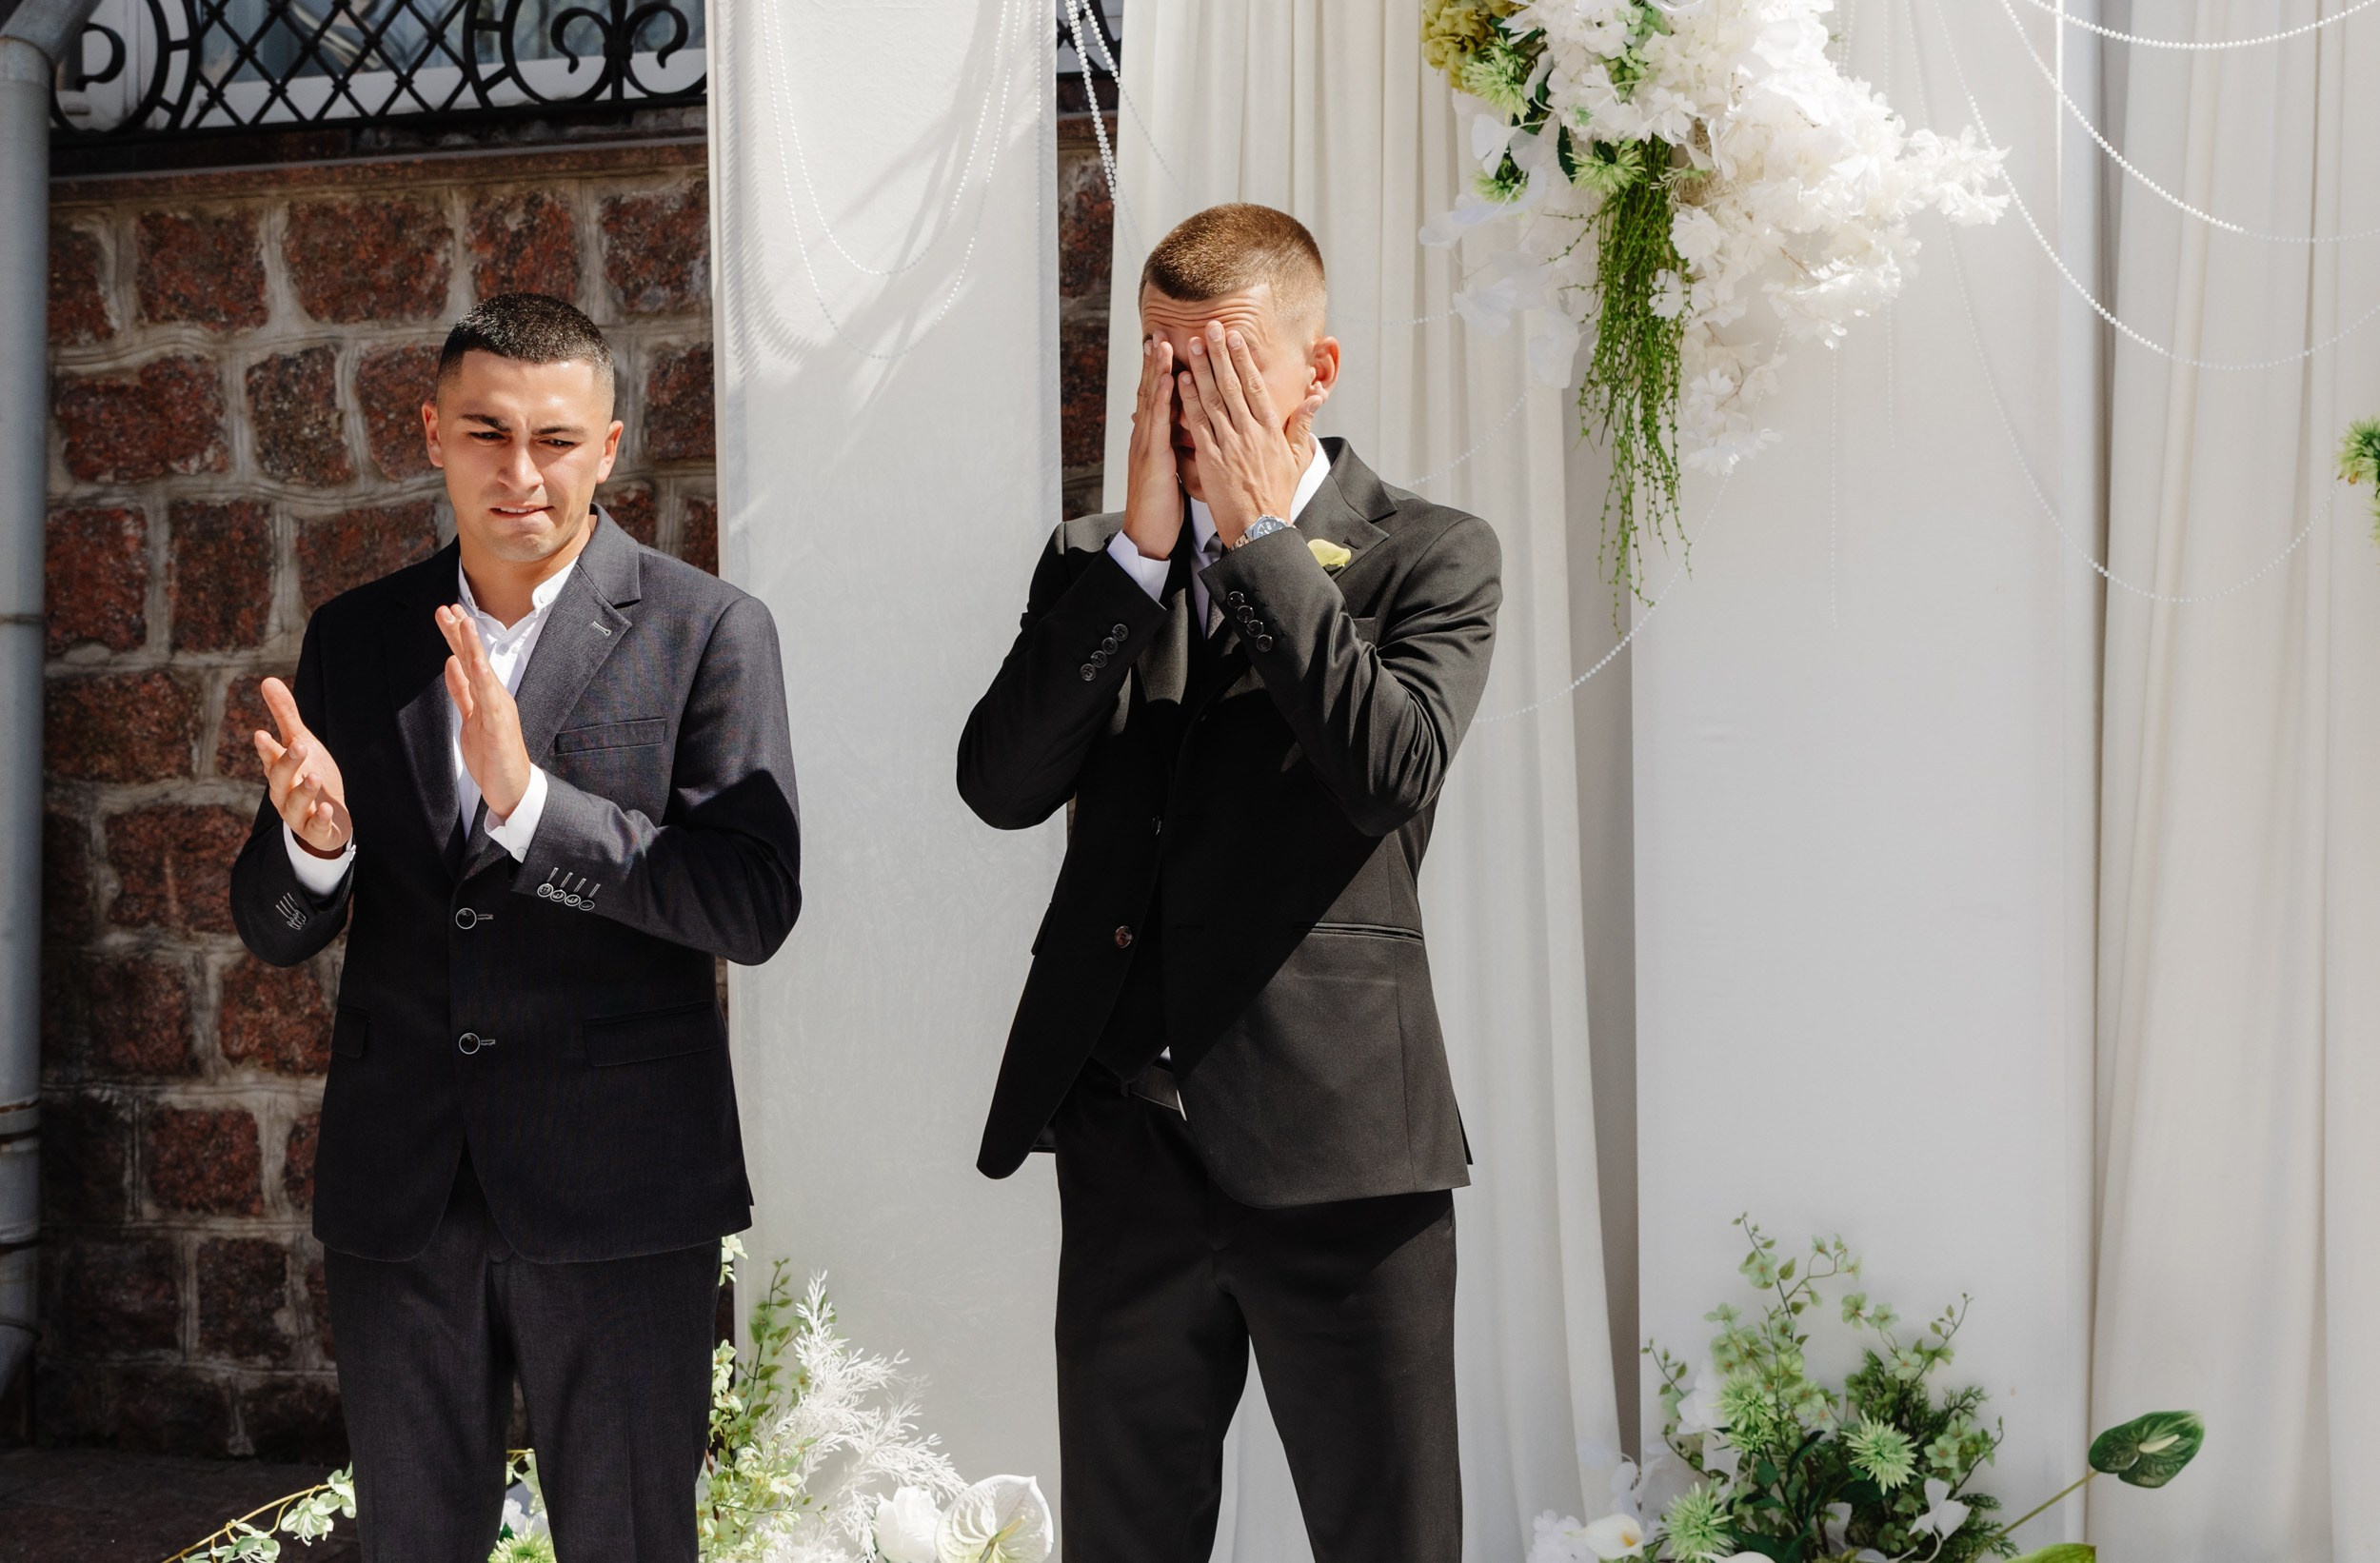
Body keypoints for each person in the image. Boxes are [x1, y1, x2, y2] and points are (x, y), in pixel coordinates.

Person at [957, 204, 1501, 1563]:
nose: (1185, 391)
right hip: (1127, 1145)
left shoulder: (1428, 553)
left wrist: (1260, 541)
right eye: (1159, 359)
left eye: (1222, 361)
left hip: (1342, 1156)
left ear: (1314, 373)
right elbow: (999, 783)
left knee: (1390, 1539)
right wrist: (1143, 562)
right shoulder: (1097, 563)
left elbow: (1386, 769)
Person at [228, 293, 801, 1563]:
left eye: (555, 437)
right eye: (488, 431)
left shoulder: (708, 632)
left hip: (624, 1187)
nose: (520, 469)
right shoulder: (359, 638)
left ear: (610, 447)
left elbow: (752, 904)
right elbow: (268, 925)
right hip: (404, 1190)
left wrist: (534, 807)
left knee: (633, 1541)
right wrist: (315, 847)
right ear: (430, 432)